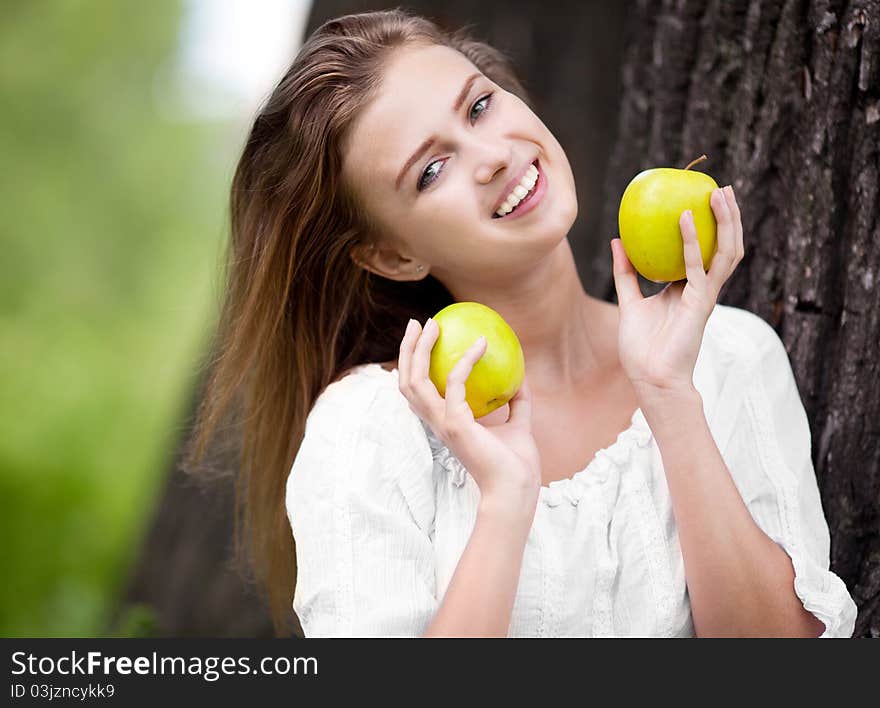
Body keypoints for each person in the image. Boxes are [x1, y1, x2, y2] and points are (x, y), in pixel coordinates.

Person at [185, 9, 858, 638]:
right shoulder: (373, 429)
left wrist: (669, 397)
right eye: (432, 170)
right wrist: (505, 503)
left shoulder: (727, 355)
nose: (495, 156)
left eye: (479, 106)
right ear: (393, 254)